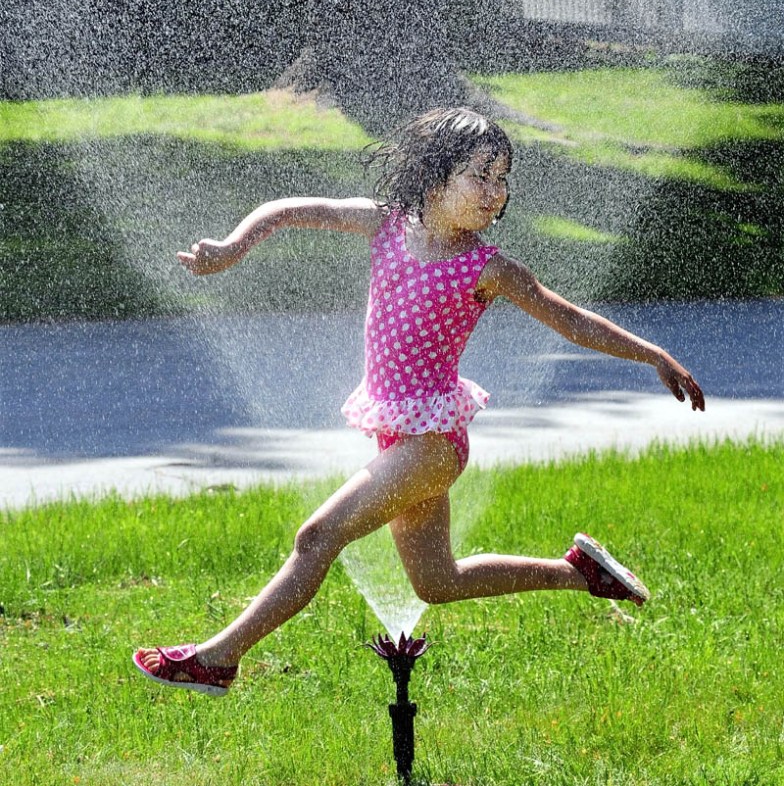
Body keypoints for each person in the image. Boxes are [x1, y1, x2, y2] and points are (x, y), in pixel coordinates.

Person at [133, 107, 705, 697]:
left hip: (431, 445)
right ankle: (578, 574)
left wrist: (652, 355)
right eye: (480, 176)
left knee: (317, 537)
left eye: (502, 179)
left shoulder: (487, 268)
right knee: (437, 581)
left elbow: (571, 320)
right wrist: (231, 247)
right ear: (435, 177)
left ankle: (218, 659)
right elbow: (288, 210)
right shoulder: (386, 225)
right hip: (398, 436)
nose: (494, 192)